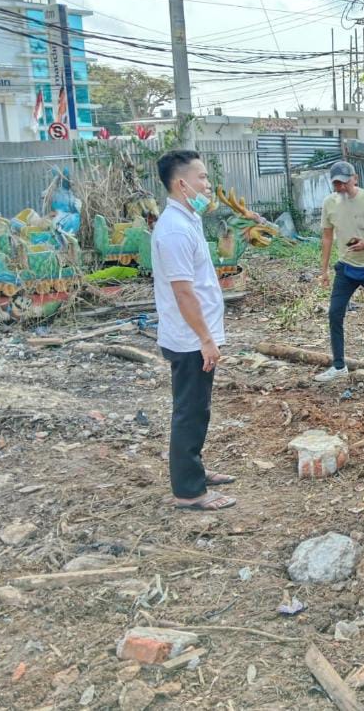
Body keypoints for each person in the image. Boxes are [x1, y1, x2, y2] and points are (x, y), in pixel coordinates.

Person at [151, 150, 236, 511]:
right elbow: (183, 293)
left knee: (198, 408)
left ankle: (194, 470)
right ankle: (189, 491)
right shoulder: (172, 230)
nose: (207, 184)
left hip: (197, 335)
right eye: (201, 178)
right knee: (190, 409)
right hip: (189, 339)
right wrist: (205, 339)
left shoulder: (188, 220)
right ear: (182, 183)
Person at [316, 161, 364, 382]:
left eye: (344, 182)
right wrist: (323, 270)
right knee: (335, 313)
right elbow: (327, 237)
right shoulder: (329, 203)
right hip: (346, 267)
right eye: (336, 183)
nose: (341, 187)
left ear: (354, 178)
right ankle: (338, 364)